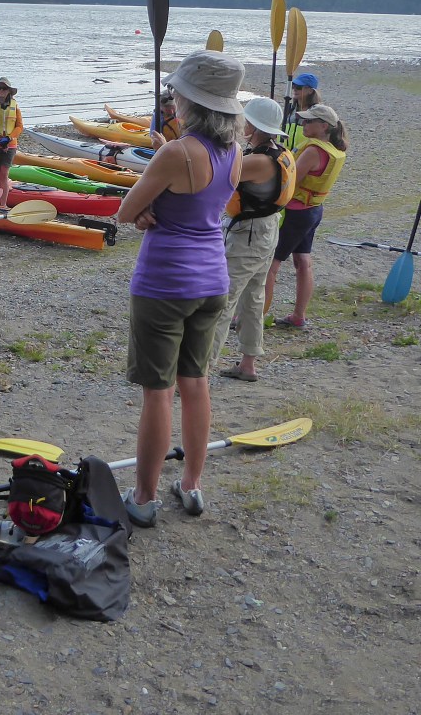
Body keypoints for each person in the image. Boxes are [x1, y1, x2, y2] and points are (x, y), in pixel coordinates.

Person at [116, 51, 245, 527]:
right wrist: (156, 206)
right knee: (196, 384)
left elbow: (126, 210)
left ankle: (144, 497)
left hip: (165, 283)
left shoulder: (177, 153)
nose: (171, 97)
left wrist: (147, 209)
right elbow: (205, 206)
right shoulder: (235, 152)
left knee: (158, 392)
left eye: (177, 92)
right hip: (213, 280)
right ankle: (191, 484)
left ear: (192, 100)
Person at [210, 97, 295, 382]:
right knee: (253, 299)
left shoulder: (258, 161)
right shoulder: (278, 151)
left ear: (255, 126)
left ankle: (200, 372)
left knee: (223, 302)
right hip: (266, 230)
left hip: (248, 236)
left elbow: (215, 175)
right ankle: (248, 364)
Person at [263, 103, 348, 329]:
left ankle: (254, 317)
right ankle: (299, 316)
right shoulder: (335, 149)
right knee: (302, 261)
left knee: (270, 264)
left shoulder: (313, 150)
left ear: (324, 126)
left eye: (309, 121)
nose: (303, 124)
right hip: (313, 210)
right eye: (304, 120)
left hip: (296, 213)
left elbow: (290, 182)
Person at [0, 77, 24, 207]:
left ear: (9, 91)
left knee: (4, 175)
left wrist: (9, 139)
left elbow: (19, 126)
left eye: (4, 88)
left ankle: (3, 205)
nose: (1, 90)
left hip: (10, 144)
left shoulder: (15, 106)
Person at [283, 72, 320, 152]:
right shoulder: (290, 109)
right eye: (294, 86)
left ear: (310, 91)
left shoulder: (316, 113)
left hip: (304, 155)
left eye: (299, 87)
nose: (295, 89)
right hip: (286, 155)